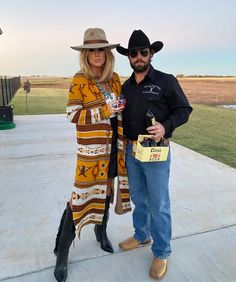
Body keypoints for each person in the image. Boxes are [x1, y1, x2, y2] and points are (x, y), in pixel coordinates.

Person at [53, 27, 131, 282]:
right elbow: (72, 114)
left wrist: (120, 112)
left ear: (107, 53)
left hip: (114, 148)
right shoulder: (80, 80)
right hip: (91, 152)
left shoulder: (115, 78)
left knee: (107, 191)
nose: (97, 54)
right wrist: (103, 112)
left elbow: (120, 109)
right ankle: (62, 252)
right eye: (91, 50)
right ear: (85, 55)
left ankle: (101, 232)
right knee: (79, 198)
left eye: (101, 50)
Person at [116, 30, 192, 280]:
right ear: (128, 56)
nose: (138, 56)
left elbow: (184, 109)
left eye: (143, 52)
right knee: (139, 197)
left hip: (156, 151)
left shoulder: (166, 81)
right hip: (132, 150)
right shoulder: (126, 86)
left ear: (151, 54)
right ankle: (141, 235)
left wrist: (165, 127)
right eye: (133, 53)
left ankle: (161, 251)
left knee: (159, 203)